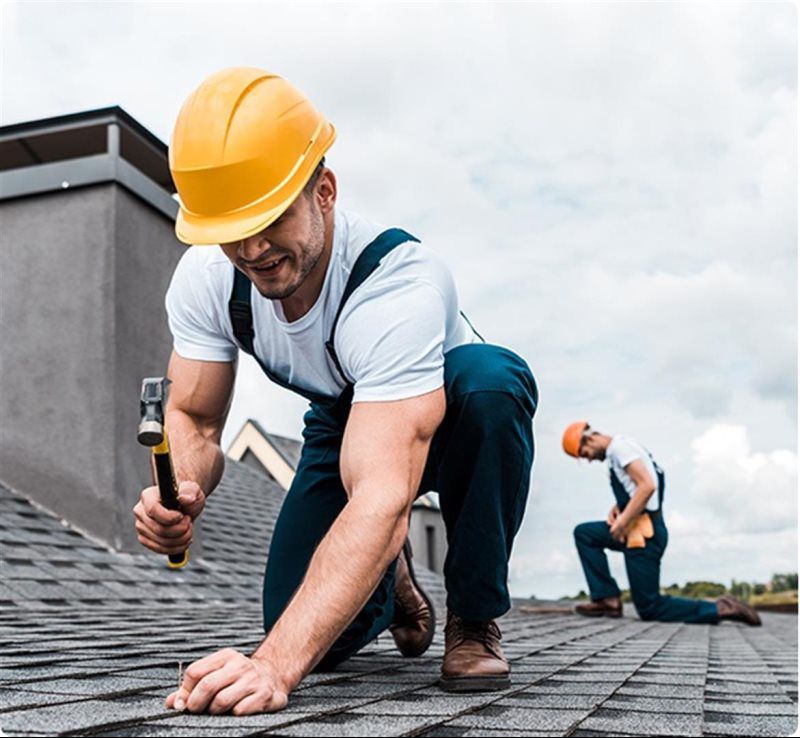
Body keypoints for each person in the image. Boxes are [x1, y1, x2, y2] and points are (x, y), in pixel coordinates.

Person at [132, 67, 537, 715]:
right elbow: (194, 419)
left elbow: (381, 491)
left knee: (495, 383)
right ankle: (393, 576)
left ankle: (474, 618)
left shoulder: (397, 284)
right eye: (233, 229)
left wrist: (273, 667)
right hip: (342, 416)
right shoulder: (209, 279)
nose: (254, 248)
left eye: (270, 218)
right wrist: (184, 491)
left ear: (324, 190)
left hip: (446, 397)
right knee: (305, 619)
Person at [563, 421, 760, 627]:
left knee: (650, 607)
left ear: (591, 438)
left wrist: (622, 522)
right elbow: (638, 486)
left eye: (585, 453)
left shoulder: (620, 449)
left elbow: (648, 486)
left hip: (645, 535)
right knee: (586, 534)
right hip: (634, 529)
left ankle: (720, 608)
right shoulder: (621, 450)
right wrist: (619, 507)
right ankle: (607, 599)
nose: (589, 459)